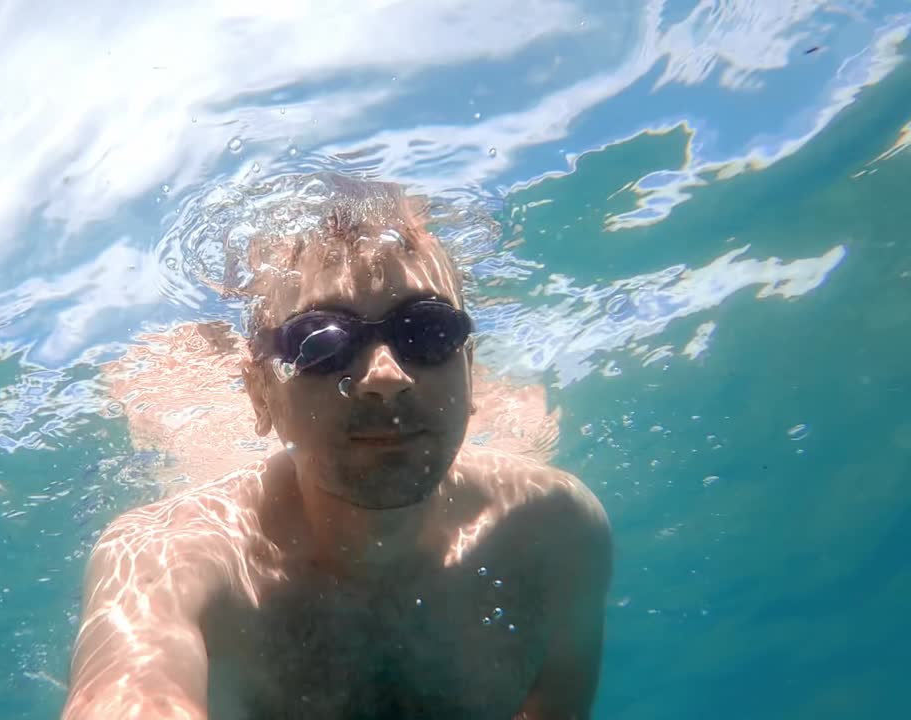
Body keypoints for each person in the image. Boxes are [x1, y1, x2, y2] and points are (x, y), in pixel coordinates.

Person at [63, 175, 612, 720]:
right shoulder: (173, 560)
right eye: (320, 342)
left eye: (428, 331)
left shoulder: (556, 530)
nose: (385, 375)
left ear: (469, 370)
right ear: (261, 396)